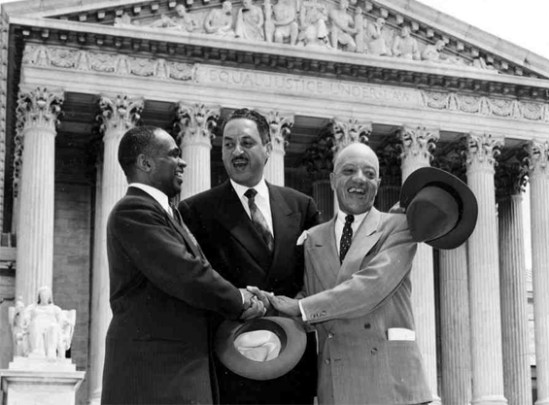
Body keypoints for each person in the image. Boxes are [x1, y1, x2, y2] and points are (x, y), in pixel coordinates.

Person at [102, 126, 264, 405]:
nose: (184, 161)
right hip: (155, 376)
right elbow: (185, 274)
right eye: (174, 155)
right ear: (145, 163)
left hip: (178, 371)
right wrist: (239, 299)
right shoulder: (134, 211)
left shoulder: (168, 213)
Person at [261, 143, 434, 405]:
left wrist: (301, 307)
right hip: (337, 383)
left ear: (379, 182)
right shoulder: (313, 238)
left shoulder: (399, 226)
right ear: (332, 180)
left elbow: (370, 288)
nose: (359, 180)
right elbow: (313, 301)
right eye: (349, 170)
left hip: (391, 384)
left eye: (369, 173)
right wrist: (269, 305)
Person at [179, 109, 320, 405]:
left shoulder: (302, 206)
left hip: (292, 363)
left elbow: (320, 275)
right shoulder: (196, 211)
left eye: (246, 142)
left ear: (268, 149)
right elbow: (194, 287)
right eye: (228, 144)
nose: (237, 152)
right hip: (232, 363)